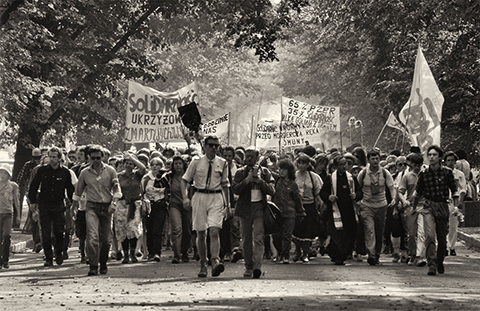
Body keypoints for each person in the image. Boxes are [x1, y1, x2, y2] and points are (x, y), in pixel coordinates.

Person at [182, 136, 230, 277]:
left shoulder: (223, 163)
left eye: (216, 145)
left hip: (216, 197)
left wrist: (227, 205)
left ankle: (215, 260)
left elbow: (225, 185)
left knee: (214, 230)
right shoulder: (196, 162)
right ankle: (203, 263)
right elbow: (185, 180)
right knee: (201, 232)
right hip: (200, 196)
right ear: (205, 146)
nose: (214, 148)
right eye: (211, 145)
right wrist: (185, 197)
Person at [72, 145, 122, 276]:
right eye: (93, 158)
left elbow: (117, 189)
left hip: (107, 207)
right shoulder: (84, 173)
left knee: (106, 239)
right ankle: (93, 266)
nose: (96, 160)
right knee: (92, 237)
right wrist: (73, 207)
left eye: (98, 158)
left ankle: (103, 262)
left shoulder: (110, 171)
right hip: (92, 207)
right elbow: (78, 192)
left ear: (103, 157)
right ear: (89, 158)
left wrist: (114, 203)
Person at [412, 145, 457, 275]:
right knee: (430, 236)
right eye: (430, 155)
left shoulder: (447, 173)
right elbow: (417, 193)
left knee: (442, 238)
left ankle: (440, 260)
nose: (431, 157)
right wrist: (414, 208)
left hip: (443, 205)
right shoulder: (424, 174)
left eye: (434, 155)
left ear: (440, 158)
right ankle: (431, 264)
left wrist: (455, 206)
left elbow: (454, 190)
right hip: (428, 206)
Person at [28, 147, 75, 267]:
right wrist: (32, 202)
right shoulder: (42, 170)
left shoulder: (65, 172)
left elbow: (70, 189)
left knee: (59, 231)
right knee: (45, 232)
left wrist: (73, 203)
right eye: (50, 156)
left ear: (60, 158)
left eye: (55, 157)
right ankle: (48, 257)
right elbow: (33, 186)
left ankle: (58, 253)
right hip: (44, 204)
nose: (52, 159)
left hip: (59, 205)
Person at [232, 146, 275, 278]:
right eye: (247, 156)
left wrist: (259, 181)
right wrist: (247, 180)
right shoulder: (240, 172)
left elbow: (272, 190)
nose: (249, 159)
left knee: (258, 238)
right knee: (246, 239)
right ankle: (248, 266)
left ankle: (257, 266)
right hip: (244, 209)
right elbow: (235, 189)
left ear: (257, 158)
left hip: (259, 209)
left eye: (252, 156)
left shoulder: (266, 172)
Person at [320, 156, 362, 265]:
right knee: (337, 234)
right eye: (341, 164)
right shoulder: (330, 178)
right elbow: (322, 193)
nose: (344, 167)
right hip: (335, 211)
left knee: (349, 234)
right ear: (336, 166)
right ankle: (336, 254)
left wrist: (355, 195)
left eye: (346, 164)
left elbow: (360, 192)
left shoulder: (351, 178)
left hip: (349, 212)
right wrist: (329, 197)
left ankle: (343, 254)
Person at [357, 149, 396, 266]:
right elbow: (358, 189)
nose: (375, 161)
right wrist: (357, 203)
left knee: (379, 232)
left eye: (377, 158)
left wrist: (394, 198)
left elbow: (391, 187)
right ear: (368, 160)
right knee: (370, 230)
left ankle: (377, 254)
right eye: (372, 159)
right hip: (367, 206)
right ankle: (371, 254)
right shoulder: (363, 173)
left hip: (381, 206)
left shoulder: (385, 173)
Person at [272, 158, 305, 264]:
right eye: (280, 169)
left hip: (290, 212)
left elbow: (297, 199)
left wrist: (301, 211)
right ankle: (280, 252)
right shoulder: (276, 180)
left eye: (284, 169)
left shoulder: (293, 184)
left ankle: (285, 255)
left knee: (287, 235)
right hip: (277, 212)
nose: (281, 171)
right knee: (276, 235)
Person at [292, 153, 323, 263]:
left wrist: (321, 205)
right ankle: (297, 252)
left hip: (309, 206)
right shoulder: (294, 176)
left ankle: (306, 253)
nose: (301, 165)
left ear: (308, 164)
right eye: (299, 163)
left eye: (303, 163)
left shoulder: (313, 177)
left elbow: (318, 191)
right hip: (297, 206)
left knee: (307, 230)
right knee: (296, 229)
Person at [115, 153, 146, 264]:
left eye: (131, 164)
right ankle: (126, 255)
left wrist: (132, 157)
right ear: (123, 164)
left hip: (135, 205)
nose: (128, 165)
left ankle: (133, 253)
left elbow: (143, 168)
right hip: (122, 205)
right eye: (126, 163)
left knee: (133, 229)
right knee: (122, 229)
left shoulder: (137, 175)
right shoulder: (118, 176)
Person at [398, 153, 427, 267]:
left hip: (423, 207)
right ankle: (413, 254)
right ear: (411, 164)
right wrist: (403, 201)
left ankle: (420, 256)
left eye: (419, 165)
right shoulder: (407, 176)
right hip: (410, 207)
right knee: (411, 234)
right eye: (415, 165)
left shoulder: (425, 176)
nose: (417, 167)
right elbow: (400, 192)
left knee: (421, 232)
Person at [166, 156, 192, 263]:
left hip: (187, 206)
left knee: (187, 230)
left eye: (180, 163)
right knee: (177, 229)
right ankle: (176, 255)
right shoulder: (169, 177)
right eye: (175, 163)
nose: (178, 165)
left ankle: (184, 252)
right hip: (174, 205)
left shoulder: (189, 177)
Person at [15, 148, 42, 249]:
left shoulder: (45, 167)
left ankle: (44, 240)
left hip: (44, 194)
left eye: (38, 157)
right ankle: (37, 242)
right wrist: (18, 190)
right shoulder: (28, 166)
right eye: (35, 157)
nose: (37, 159)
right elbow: (20, 179)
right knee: (34, 217)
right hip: (32, 194)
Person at [219, 146, 241, 263]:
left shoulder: (238, 169)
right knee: (224, 227)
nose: (227, 158)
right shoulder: (219, 167)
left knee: (235, 226)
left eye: (229, 156)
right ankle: (225, 251)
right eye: (225, 155)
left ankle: (235, 250)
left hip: (236, 201)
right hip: (221, 201)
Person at [444, 151, 466, 257]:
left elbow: (463, 189)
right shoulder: (441, 173)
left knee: (453, 226)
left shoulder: (459, 174)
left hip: (454, 202)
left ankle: (452, 247)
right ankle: (443, 246)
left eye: (452, 160)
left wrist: (459, 203)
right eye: (448, 160)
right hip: (443, 202)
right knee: (442, 226)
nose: (450, 162)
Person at [0, 164, 20, 269]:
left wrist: (18, 215)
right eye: (1, 172)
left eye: (5, 173)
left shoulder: (13, 186)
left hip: (8, 213)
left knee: (7, 235)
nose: (2, 175)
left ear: (9, 175)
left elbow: (16, 201)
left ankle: (6, 259)